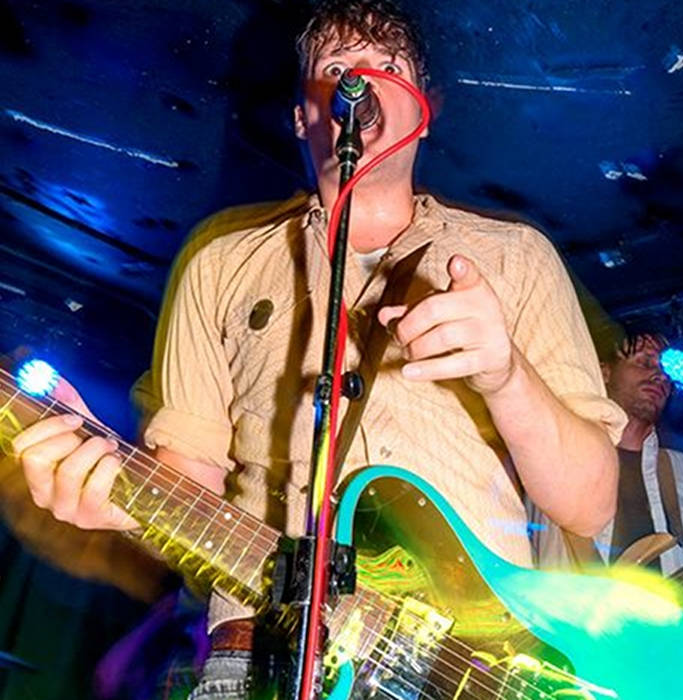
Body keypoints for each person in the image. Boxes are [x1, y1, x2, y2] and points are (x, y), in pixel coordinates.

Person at [11, 1, 626, 697]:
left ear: (425, 110)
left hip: (470, 660)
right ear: (302, 116)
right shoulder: (218, 261)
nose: (361, 80)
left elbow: (589, 505)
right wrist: (121, 501)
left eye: (389, 66)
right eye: (335, 68)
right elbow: (190, 482)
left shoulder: (516, 258)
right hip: (257, 651)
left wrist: (507, 376)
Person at [532, 331, 683, 576]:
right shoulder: (555, 454)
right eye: (644, 362)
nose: (659, 376)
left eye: (666, 373)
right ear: (604, 372)